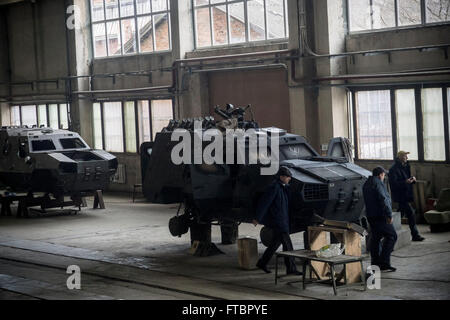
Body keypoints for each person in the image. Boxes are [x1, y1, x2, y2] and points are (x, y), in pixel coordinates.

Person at [252, 166, 301, 275]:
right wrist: (257, 218)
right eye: (288, 177)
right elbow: (264, 203)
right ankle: (291, 268)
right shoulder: (274, 188)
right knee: (288, 245)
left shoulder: (283, 187)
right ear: (282, 177)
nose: (289, 179)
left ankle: (262, 263)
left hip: (282, 220)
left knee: (274, 244)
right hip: (278, 222)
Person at [363, 166, 397, 272]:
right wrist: (389, 215)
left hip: (371, 216)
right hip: (380, 216)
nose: (384, 177)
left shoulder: (366, 183)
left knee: (376, 238)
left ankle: (376, 263)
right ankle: (384, 263)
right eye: (384, 175)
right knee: (392, 236)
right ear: (380, 175)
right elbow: (383, 199)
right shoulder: (378, 183)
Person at [389, 151, 425, 242]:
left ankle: (389, 231)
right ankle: (415, 235)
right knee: (411, 213)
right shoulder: (393, 169)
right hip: (400, 195)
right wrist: (405, 182)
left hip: (406, 193)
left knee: (399, 214)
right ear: (400, 157)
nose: (407, 158)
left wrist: (413, 179)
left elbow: (407, 177)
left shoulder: (406, 166)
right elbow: (393, 184)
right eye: (405, 156)